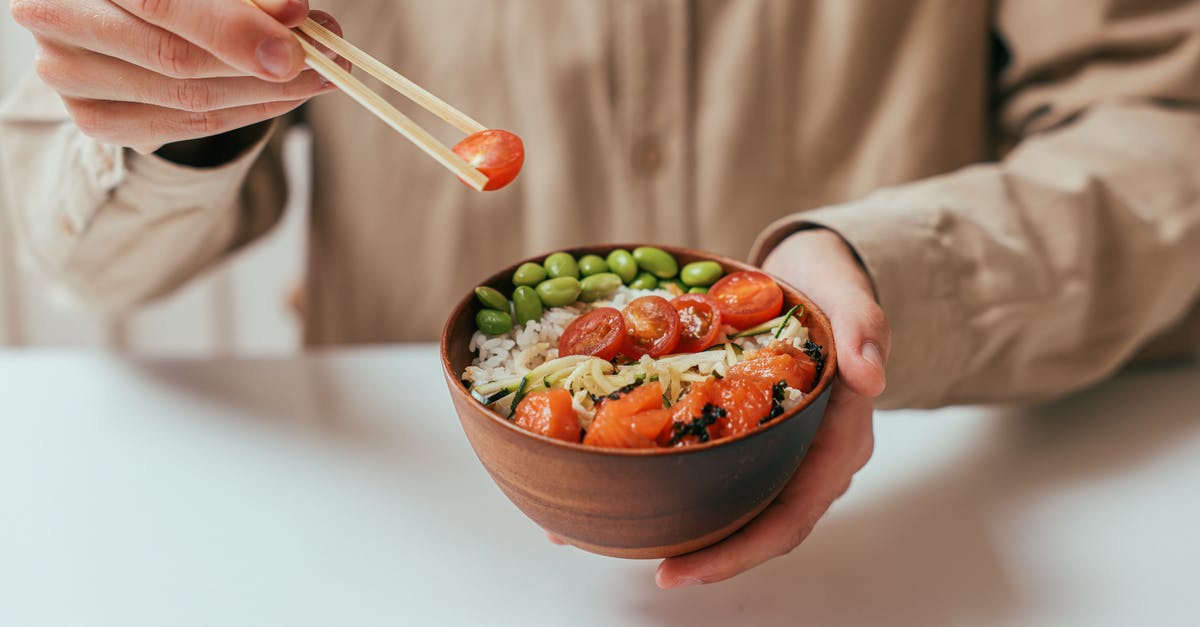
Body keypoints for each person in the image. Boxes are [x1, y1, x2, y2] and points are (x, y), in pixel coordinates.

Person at [2, 0, 1198, 589]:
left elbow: (1166, 123)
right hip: (395, 546)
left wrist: (890, 269)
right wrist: (176, 109)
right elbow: (83, 254)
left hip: (920, 537)